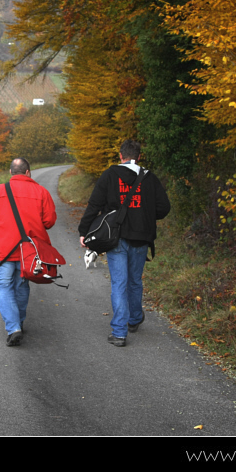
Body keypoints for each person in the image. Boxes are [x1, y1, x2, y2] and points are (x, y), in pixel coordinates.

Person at [79, 140, 171, 347]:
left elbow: (94, 204)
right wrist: (145, 215)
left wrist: (83, 231)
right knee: (135, 281)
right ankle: (135, 319)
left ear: (121, 156)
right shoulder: (150, 178)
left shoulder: (110, 175)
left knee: (119, 284)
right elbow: (164, 207)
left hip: (116, 237)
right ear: (139, 156)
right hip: (141, 236)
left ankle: (119, 333)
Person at [0, 158, 57, 346]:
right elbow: (49, 221)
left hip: (4, 250)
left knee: (3, 286)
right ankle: (18, 322)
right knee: (22, 285)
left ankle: (13, 328)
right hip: (29, 251)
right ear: (28, 172)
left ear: (10, 172)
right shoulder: (41, 192)